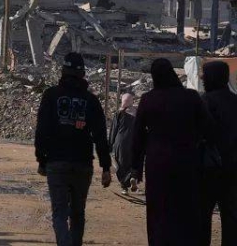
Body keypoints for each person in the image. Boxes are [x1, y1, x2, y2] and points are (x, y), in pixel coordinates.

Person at [130, 58, 211, 246]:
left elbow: (138, 137)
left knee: (158, 210)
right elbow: (208, 128)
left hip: (157, 164)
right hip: (187, 161)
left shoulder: (148, 99)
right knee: (185, 209)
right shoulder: (191, 98)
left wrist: (135, 168)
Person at [34, 52, 111, 246]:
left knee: (59, 213)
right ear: (83, 74)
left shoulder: (51, 95)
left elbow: (42, 130)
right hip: (82, 163)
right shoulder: (91, 101)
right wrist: (106, 167)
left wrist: (41, 160)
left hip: (56, 162)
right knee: (78, 213)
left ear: (62, 71)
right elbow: (100, 136)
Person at [201, 61, 237, 246]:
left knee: (201, 219)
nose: (201, 78)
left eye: (204, 75)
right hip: (232, 170)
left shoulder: (203, 101)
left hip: (207, 170)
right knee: (231, 220)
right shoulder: (235, 102)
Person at [108, 93, 137, 194]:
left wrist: (110, 145)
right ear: (131, 101)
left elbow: (113, 130)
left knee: (120, 164)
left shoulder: (119, 113)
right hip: (134, 142)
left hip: (120, 142)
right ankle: (132, 177)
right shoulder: (137, 113)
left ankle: (124, 187)